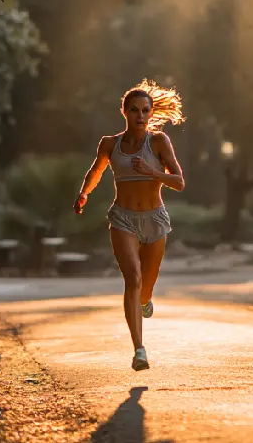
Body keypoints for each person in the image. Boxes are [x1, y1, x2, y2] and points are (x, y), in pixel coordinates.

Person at [74, 79, 185, 371]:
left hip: (155, 219)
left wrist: (151, 171)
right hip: (123, 218)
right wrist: (84, 193)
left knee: (145, 287)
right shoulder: (110, 144)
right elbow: (95, 171)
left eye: (145, 110)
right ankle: (139, 350)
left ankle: (146, 300)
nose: (140, 115)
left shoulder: (159, 141)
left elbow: (179, 182)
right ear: (124, 111)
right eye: (134, 110)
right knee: (133, 279)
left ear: (151, 113)